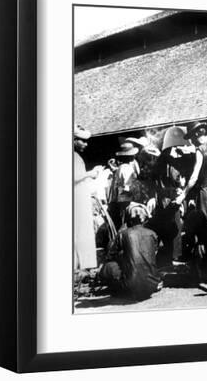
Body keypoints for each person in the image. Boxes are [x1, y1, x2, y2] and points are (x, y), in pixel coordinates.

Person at [99, 203, 162, 300]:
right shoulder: (152, 234)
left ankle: (119, 290)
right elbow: (153, 253)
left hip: (132, 286)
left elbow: (110, 256)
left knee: (108, 267)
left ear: (129, 220)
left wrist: (122, 256)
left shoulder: (123, 234)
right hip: (152, 285)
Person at [73, 125, 103, 270]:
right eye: (82, 141)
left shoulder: (76, 156)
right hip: (76, 199)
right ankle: (80, 263)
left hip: (81, 197)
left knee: (83, 229)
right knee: (79, 230)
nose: (85, 144)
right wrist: (89, 174)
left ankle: (85, 263)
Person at [107, 142, 140, 229]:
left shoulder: (121, 168)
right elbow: (126, 187)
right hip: (127, 201)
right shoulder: (127, 168)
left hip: (121, 201)